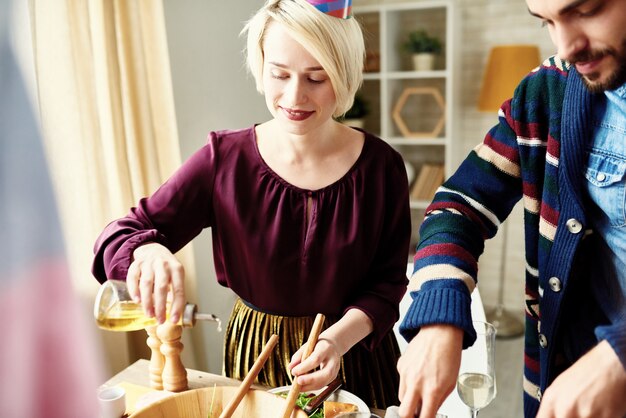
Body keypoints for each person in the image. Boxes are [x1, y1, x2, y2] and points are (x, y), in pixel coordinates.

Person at [91, 0, 411, 409]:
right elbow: (120, 234)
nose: (295, 96)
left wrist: (336, 340)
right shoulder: (223, 159)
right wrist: (149, 251)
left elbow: (388, 285)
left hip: (354, 354)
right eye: (280, 74)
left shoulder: (382, 167)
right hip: (257, 356)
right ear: (261, 68)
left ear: (345, 75)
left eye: (317, 78)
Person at [396, 0, 626, 417]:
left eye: (587, 10)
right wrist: (439, 310)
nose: (567, 45)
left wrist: (620, 354)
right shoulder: (546, 91)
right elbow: (457, 207)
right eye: (547, 22)